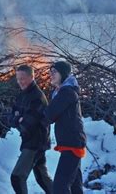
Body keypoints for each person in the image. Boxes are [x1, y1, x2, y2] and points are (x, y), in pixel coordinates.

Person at [43, 61, 87, 194]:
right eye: (50, 72)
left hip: (72, 144)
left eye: (54, 72)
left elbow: (49, 115)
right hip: (73, 142)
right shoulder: (62, 92)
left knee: (60, 187)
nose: (51, 75)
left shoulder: (66, 92)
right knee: (75, 187)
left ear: (63, 74)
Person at [10, 65, 53, 194]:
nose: (20, 82)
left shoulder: (37, 97)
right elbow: (11, 117)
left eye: (23, 78)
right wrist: (18, 119)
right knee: (42, 178)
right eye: (18, 79)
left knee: (17, 178)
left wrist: (18, 119)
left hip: (35, 143)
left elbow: (29, 123)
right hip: (30, 141)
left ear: (31, 77)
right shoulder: (22, 95)